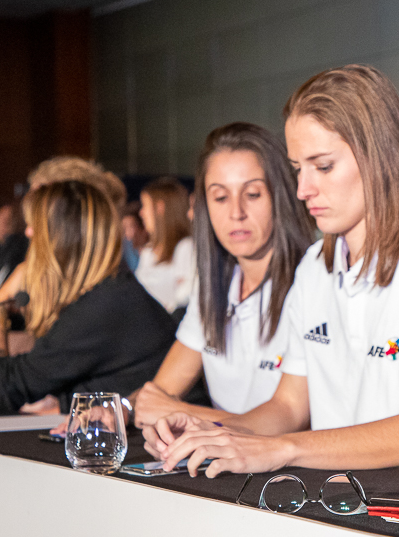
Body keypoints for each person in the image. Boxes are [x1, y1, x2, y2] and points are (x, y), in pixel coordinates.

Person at [145, 64, 399, 477]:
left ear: (379, 157)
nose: (303, 190)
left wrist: (284, 449)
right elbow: (288, 406)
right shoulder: (314, 267)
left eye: (322, 167)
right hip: (334, 500)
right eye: (298, 169)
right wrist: (212, 430)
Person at [0, 180, 176, 414]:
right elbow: (32, 378)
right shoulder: (109, 292)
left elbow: (3, 389)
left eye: (34, 225)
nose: (28, 233)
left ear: (62, 238)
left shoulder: (104, 304)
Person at [128, 122, 314, 426]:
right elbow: (159, 392)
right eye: (220, 197)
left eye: (252, 194)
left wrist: (184, 413)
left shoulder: (312, 281)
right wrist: (117, 409)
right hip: (223, 464)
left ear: (280, 198)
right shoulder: (215, 286)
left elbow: (289, 420)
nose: (236, 212)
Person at [135, 177, 194, 315]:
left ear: (160, 207)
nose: (141, 213)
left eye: (145, 206)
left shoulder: (185, 247)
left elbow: (183, 299)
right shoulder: (148, 252)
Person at [120, 200, 147, 273]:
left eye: (131, 226)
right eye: (124, 228)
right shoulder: (125, 249)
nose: (127, 233)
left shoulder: (153, 252)